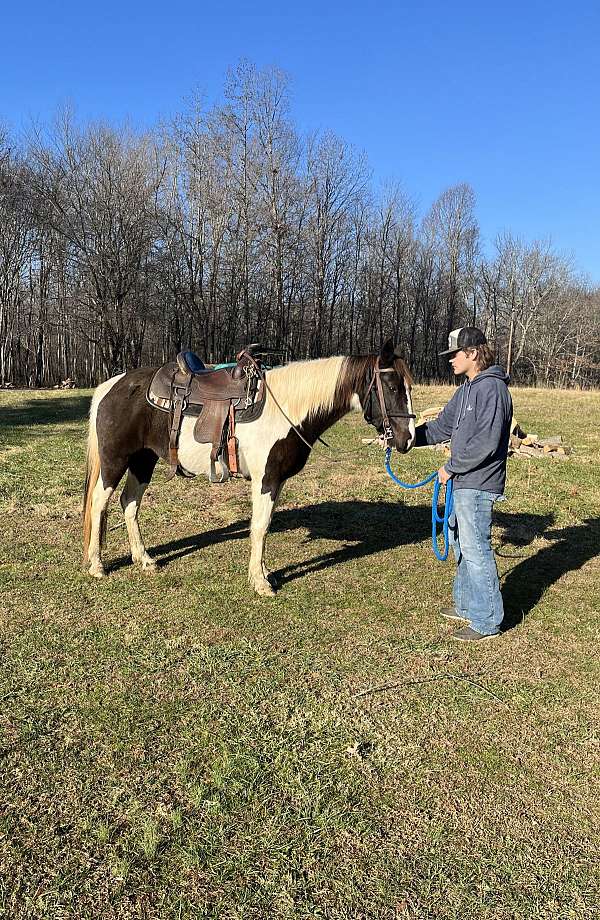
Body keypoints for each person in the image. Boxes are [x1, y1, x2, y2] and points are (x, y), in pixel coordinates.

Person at [415, 327, 513, 641]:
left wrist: (451, 467)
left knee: (476, 550)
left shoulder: (491, 390)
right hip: (463, 482)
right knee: (460, 544)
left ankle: (487, 622)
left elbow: (486, 442)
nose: (450, 361)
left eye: (454, 354)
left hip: (479, 482)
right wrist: (404, 438)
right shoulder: (467, 389)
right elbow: (441, 427)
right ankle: (468, 605)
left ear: (472, 353)